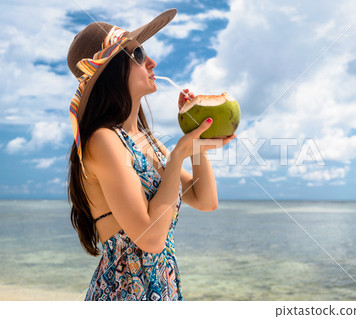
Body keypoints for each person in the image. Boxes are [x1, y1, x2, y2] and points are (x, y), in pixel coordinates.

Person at [66, 8, 235, 301]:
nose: (152, 62)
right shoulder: (102, 141)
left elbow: (205, 200)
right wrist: (179, 155)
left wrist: (195, 144)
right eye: (139, 55)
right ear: (111, 71)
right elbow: (151, 238)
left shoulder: (146, 142)